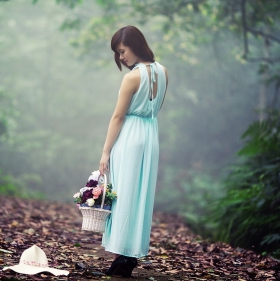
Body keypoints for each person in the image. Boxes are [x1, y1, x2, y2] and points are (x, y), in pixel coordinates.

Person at [98, 25, 168, 277]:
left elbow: (118, 116)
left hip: (130, 135)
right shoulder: (163, 72)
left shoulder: (131, 77)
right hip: (150, 135)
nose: (121, 57)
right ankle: (130, 254)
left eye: (122, 50)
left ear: (136, 46)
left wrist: (105, 152)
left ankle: (123, 253)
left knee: (124, 193)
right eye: (117, 53)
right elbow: (155, 107)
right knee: (141, 194)